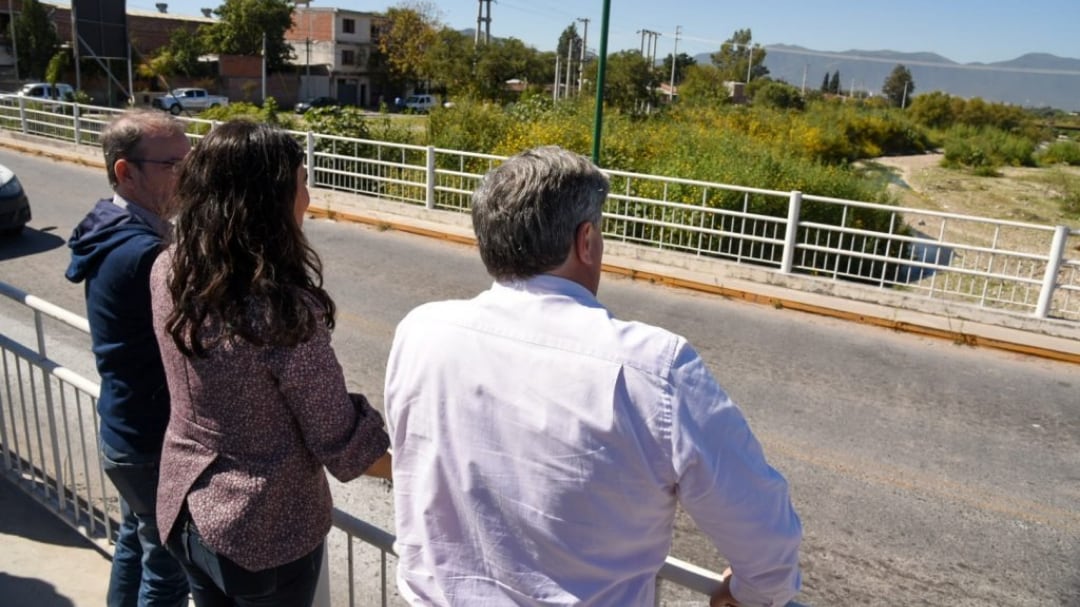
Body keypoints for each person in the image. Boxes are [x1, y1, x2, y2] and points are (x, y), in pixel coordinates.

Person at [384, 146, 803, 607]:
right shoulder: (654, 367)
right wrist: (754, 594)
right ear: (585, 241)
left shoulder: (422, 330)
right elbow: (765, 535)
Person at [150, 119, 391, 607]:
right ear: (268, 204)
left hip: (187, 506)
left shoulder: (170, 268)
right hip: (263, 532)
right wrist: (429, 463)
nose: (308, 199)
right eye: (302, 184)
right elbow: (340, 441)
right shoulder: (280, 312)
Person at [65, 109, 192, 607]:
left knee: (135, 546)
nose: (188, 176)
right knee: (167, 571)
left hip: (125, 431)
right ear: (126, 171)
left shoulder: (110, 227)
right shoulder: (144, 255)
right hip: (151, 441)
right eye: (173, 165)